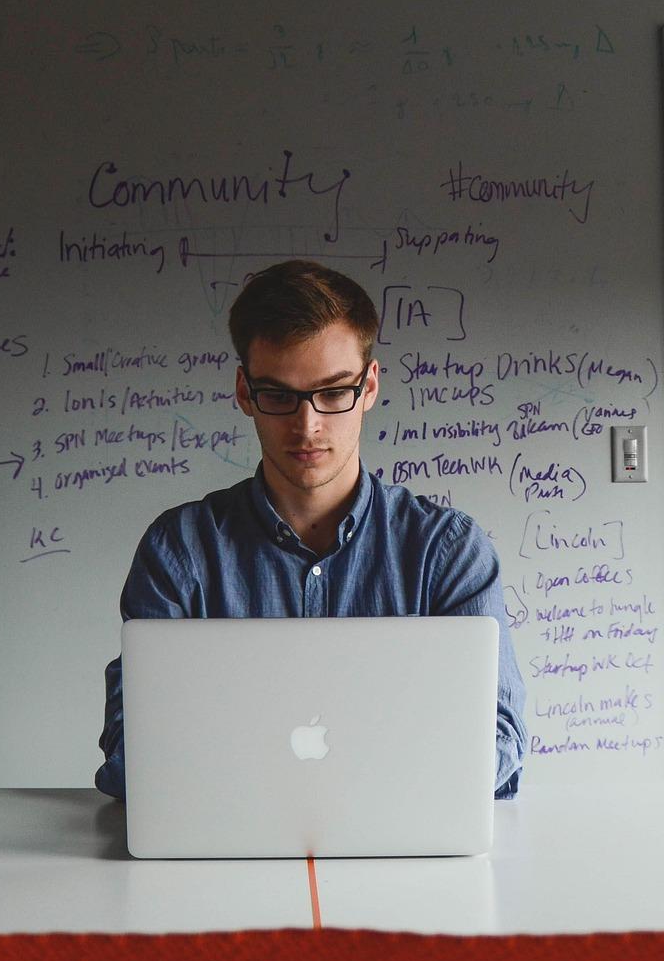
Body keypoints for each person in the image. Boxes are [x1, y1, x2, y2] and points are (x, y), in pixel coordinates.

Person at [93, 258, 528, 798]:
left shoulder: (448, 551)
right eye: (279, 396)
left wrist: (263, 772)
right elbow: (131, 752)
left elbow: (499, 740)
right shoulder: (179, 551)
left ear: (369, 386)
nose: (308, 425)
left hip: (400, 843)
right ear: (245, 392)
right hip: (228, 844)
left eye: (334, 392)